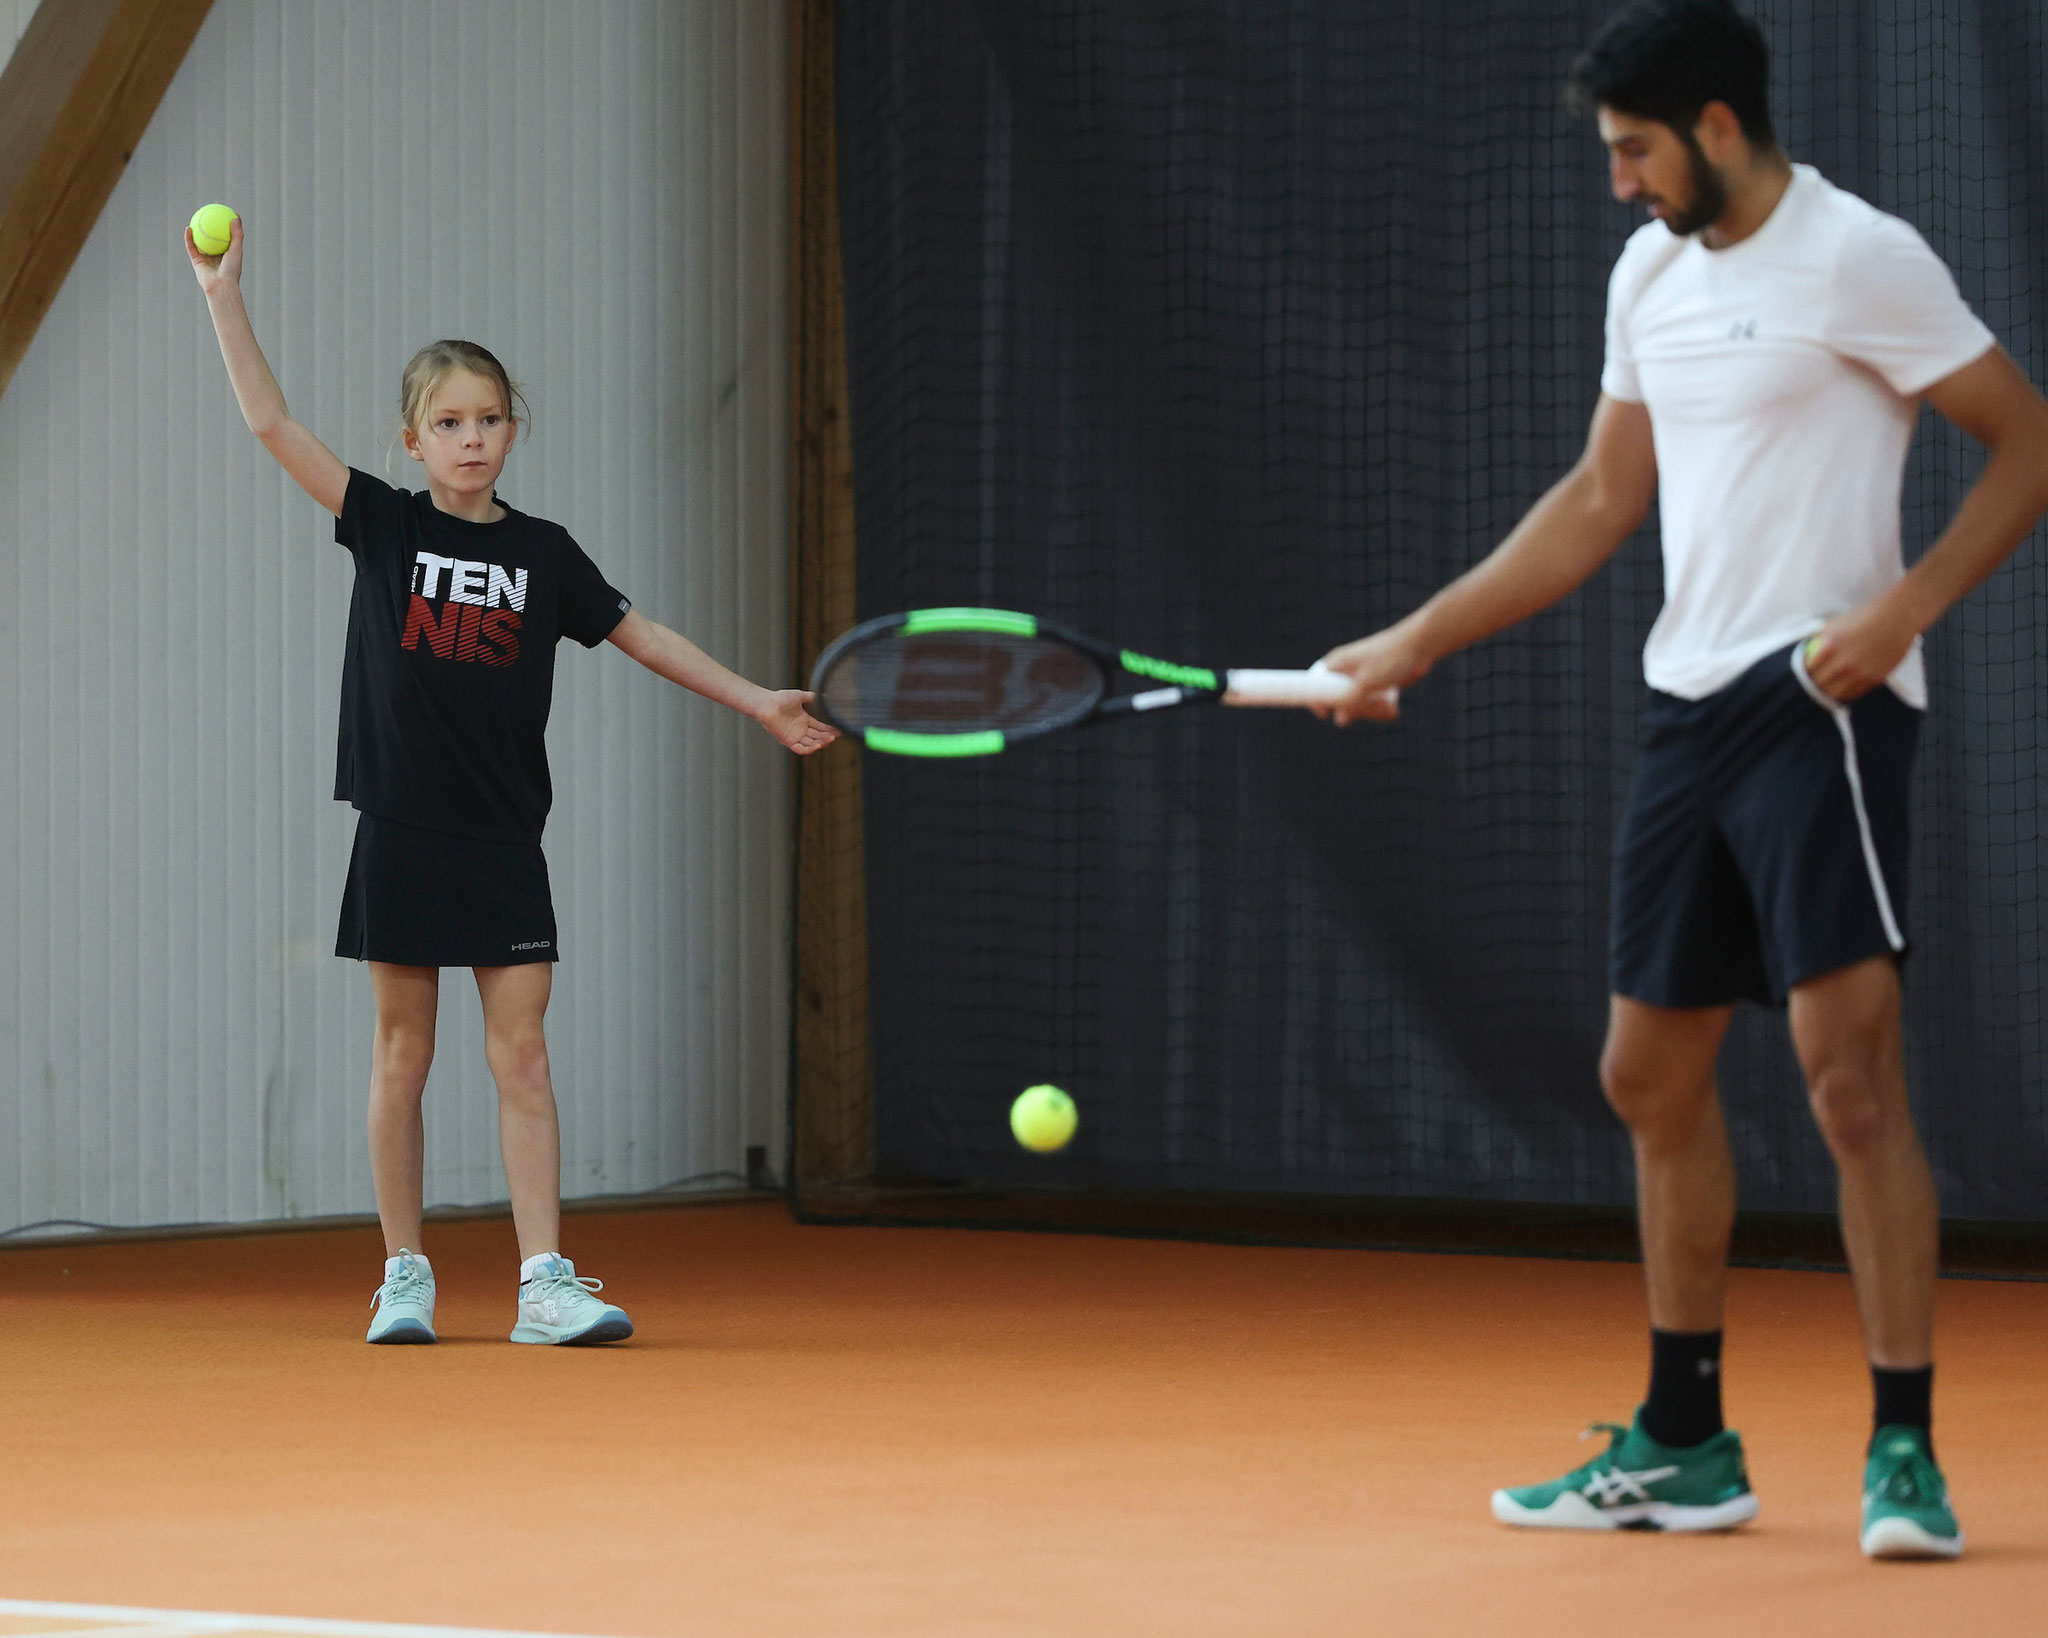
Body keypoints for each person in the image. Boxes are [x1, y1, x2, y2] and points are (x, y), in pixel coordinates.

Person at [1320, 0, 2048, 1559]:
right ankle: (1685, 1439)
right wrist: (1415, 637)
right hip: (1687, 712)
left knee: (1850, 1082)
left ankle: (1904, 1445)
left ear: (1718, 125)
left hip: (1821, 706)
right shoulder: (1647, 272)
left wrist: (1904, 607)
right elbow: (1599, 497)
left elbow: (2027, 439)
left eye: (1635, 149)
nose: (1620, 182)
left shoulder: (1863, 256)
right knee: (1646, 1075)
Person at [186, 214, 836, 1348]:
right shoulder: (381, 525)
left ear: (512, 431)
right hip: (399, 824)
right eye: (449, 423)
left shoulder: (543, 555)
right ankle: (403, 1274)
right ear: (410, 440)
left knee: (522, 1053)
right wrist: (221, 295)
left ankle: (543, 1281)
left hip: (501, 839)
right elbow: (269, 420)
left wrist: (758, 701)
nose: (471, 439)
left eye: (489, 420)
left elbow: (640, 635)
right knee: (403, 1051)